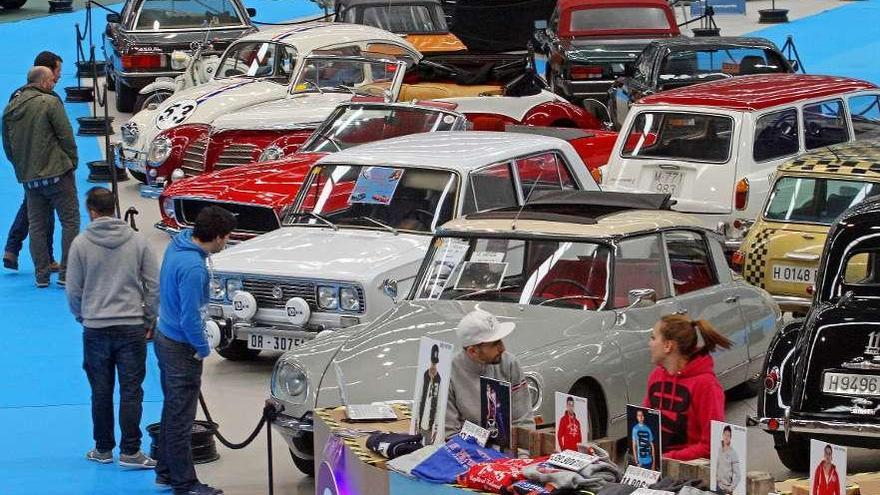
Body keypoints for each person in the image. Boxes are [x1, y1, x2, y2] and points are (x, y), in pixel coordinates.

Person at [65, 187, 159, 468]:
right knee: (132, 391)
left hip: (95, 329)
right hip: (131, 328)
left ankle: (103, 448)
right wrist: (149, 319)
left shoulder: (80, 244)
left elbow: (73, 290)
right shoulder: (138, 241)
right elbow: (153, 287)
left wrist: (83, 315)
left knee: (101, 391)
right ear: (114, 207)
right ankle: (131, 452)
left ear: (91, 211)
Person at [154, 206, 236, 495]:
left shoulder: (178, 245)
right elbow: (190, 317)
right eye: (225, 237)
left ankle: (165, 470)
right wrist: (202, 347)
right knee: (181, 417)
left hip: (165, 336)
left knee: (171, 409)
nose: (225, 243)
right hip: (182, 346)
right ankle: (184, 482)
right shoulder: (194, 269)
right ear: (215, 237)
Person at [2, 65, 79, 287]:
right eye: (52, 81)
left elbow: (7, 146)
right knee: (70, 222)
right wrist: (72, 162)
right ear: (44, 83)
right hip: (58, 174)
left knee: (36, 226)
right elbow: (66, 136)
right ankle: (66, 273)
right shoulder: (50, 102)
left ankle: (41, 276)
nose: (54, 84)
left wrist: (22, 167)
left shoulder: (10, 108)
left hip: (30, 178)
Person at [4, 51, 64, 271]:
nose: (58, 78)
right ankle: (46, 260)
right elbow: (61, 133)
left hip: (24, 161)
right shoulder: (51, 99)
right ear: (47, 74)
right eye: (57, 72)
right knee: (44, 209)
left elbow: (6, 132)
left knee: (31, 202)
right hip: (48, 164)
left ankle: (12, 248)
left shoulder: (15, 96)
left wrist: (15, 160)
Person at [643, 314, 733, 460]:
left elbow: (712, 445)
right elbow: (645, 425)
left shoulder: (706, 385)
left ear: (668, 346)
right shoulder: (656, 375)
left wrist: (668, 458)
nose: (649, 343)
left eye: (653, 338)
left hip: (689, 472)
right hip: (655, 467)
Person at [445, 308, 535, 439]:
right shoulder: (448, 373)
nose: (503, 348)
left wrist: (523, 457)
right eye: (495, 344)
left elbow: (523, 421)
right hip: (466, 451)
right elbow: (450, 434)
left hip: (507, 452)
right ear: (473, 351)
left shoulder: (509, 363)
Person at [417, 344, 442, 444]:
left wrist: (436, 427)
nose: (433, 366)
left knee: (428, 446)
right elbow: (419, 397)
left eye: (435, 364)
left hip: (430, 424)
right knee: (417, 444)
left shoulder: (439, 379)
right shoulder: (425, 376)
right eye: (432, 363)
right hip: (421, 421)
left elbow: (439, 404)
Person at [715, 425, 742, 494]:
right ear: (722, 435)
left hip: (726, 489)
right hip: (717, 486)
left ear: (730, 437)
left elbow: (738, 475)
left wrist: (730, 488)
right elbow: (717, 466)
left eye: (728, 435)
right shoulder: (719, 449)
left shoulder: (733, 453)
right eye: (725, 435)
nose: (726, 437)